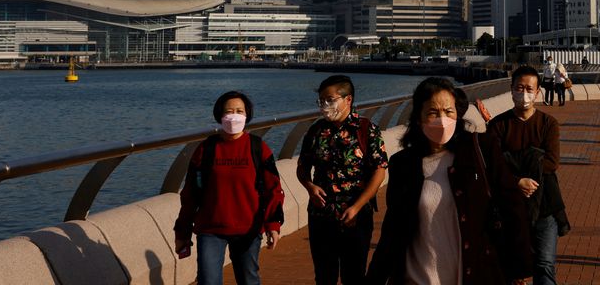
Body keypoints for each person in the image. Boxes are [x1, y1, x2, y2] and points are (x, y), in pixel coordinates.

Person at [367, 77, 533, 285]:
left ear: (458, 114)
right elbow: (393, 230)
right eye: (433, 112)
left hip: (473, 274)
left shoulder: (481, 150)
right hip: (416, 277)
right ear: (419, 118)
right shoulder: (403, 164)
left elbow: (512, 206)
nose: (442, 119)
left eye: (449, 111)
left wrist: (520, 266)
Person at [174, 91, 285, 285]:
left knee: (248, 280)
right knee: (208, 281)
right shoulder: (205, 150)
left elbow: (273, 189)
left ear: (247, 115)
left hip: (248, 229)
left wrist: (273, 226)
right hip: (211, 229)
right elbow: (190, 193)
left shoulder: (258, 148)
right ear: (219, 115)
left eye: (239, 111)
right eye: (229, 111)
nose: (234, 116)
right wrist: (182, 232)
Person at [297, 75, 388, 285]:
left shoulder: (367, 130)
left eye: (330, 100)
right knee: (323, 276)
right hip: (321, 216)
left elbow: (380, 171)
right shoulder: (316, 131)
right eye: (321, 101)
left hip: (356, 216)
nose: (325, 105)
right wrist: (309, 186)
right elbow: (302, 168)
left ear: (348, 100)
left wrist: (357, 206)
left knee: (354, 275)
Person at [487, 66, 568, 285]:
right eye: (520, 88)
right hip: (509, 208)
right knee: (511, 270)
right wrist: (517, 181)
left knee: (545, 265)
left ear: (538, 91)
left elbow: (552, 162)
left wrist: (511, 163)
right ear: (511, 90)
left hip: (545, 206)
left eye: (529, 89)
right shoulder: (497, 125)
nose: (524, 94)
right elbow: (492, 165)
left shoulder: (548, 124)